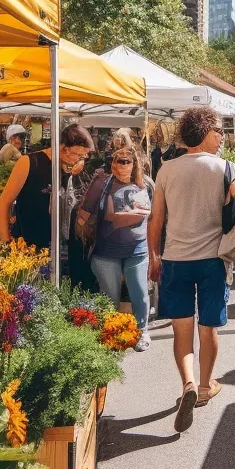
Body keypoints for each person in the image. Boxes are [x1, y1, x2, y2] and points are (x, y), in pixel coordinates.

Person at [148, 107, 235, 433]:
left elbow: (156, 219)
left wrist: (153, 256)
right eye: (217, 131)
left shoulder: (166, 170)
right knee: (209, 327)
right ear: (204, 131)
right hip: (213, 260)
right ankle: (205, 386)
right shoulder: (225, 168)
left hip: (175, 259)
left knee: (181, 330)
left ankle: (187, 383)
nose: (221, 138)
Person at [88, 142, 154, 352]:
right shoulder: (103, 184)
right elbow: (108, 216)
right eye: (115, 161)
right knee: (110, 297)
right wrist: (134, 215)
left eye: (125, 161)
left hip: (138, 249)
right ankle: (112, 334)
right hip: (107, 250)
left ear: (135, 164)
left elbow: (152, 218)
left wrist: (155, 251)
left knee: (140, 292)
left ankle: (142, 330)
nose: (119, 165)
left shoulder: (147, 185)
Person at [0, 123, 95, 249]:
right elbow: (3, 204)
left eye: (83, 156)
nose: (79, 159)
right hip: (29, 244)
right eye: (78, 154)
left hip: (63, 246)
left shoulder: (73, 167)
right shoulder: (29, 163)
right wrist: (6, 244)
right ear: (63, 147)